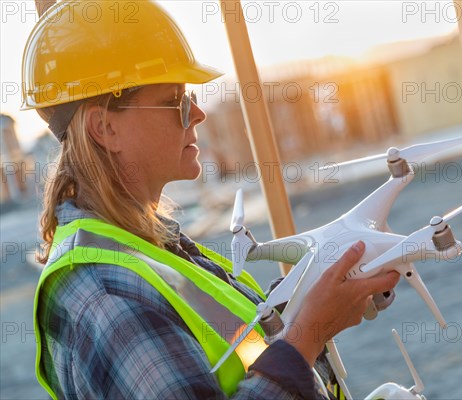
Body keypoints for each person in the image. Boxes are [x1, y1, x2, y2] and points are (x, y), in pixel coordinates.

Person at [23, 1, 400, 399]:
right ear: (105, 128)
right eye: (175, 101)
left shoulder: (144, 248)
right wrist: (308, 334)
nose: (198, 113)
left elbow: (238, 350)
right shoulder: (104, 291)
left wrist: (314, 293)